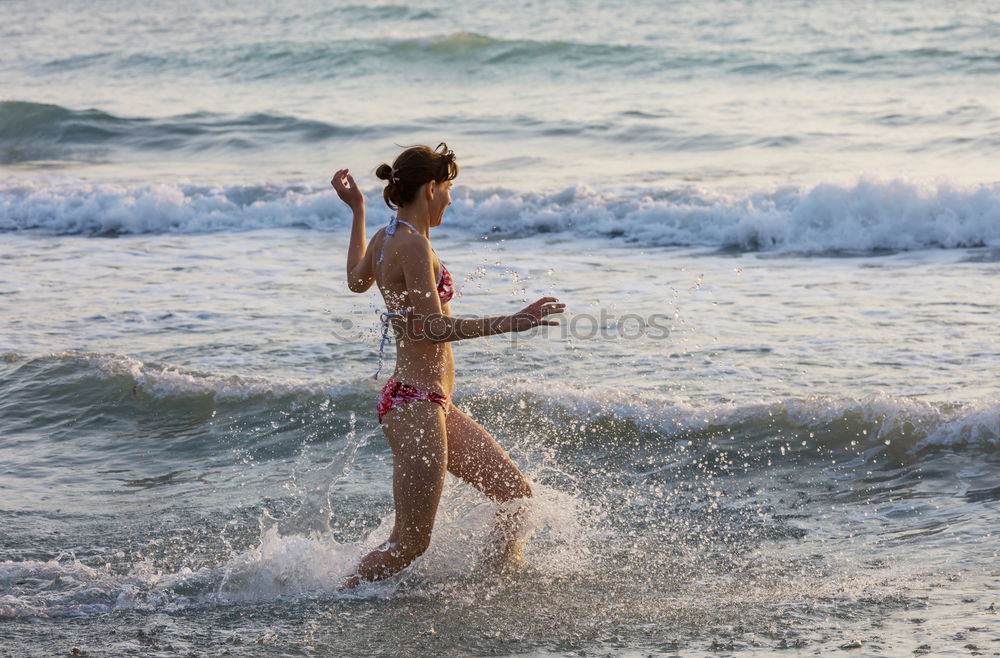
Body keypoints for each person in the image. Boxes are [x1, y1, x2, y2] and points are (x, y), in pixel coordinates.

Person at [330, 143, 565, 589]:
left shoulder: (385, 238)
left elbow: (356, 281)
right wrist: (514, 322)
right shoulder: (412, 246)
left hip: (423, 401)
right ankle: (333, 598)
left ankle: (496, 588)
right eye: (449, 189)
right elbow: (434, 329)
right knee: (409, 544)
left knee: (515, 498)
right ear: (432, 187)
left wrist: (358, 210)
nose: (451, 200)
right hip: (415, 403)